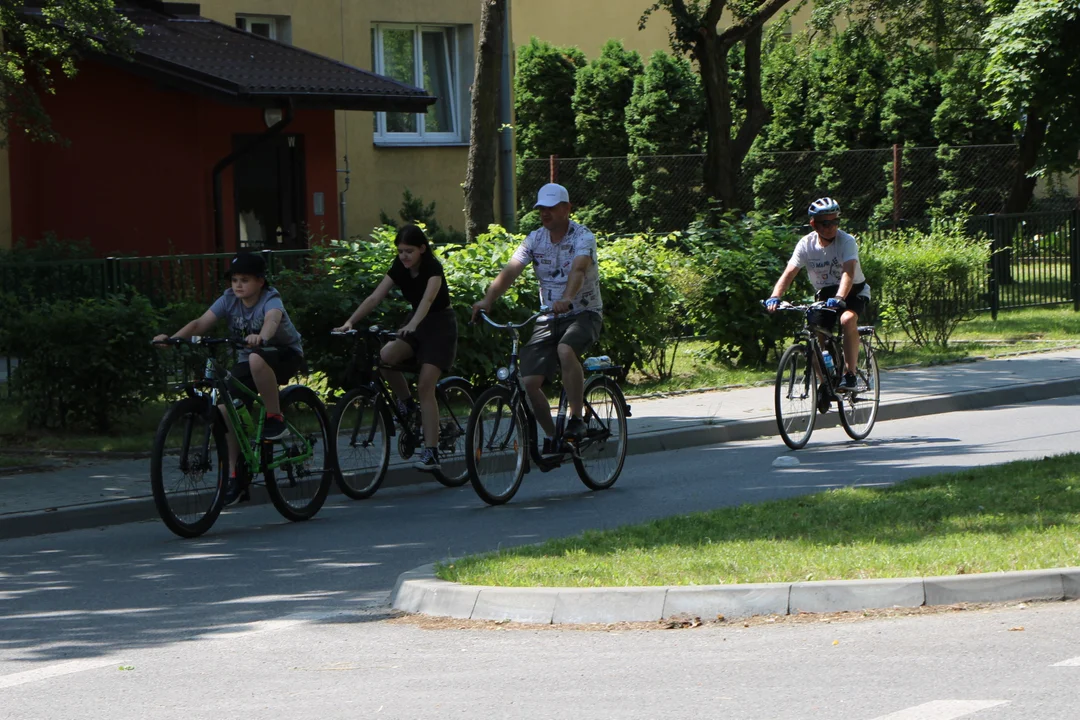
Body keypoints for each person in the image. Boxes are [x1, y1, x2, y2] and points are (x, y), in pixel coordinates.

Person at [154, 251, 305, 500]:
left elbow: (272, 319)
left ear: (260, 281)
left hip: (284, 353)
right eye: (234, 280)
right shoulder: (228, 300)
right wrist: (172, 339)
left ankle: (274, 417)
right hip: (250, 360)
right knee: (226, 409)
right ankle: (235, 476)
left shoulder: (271, 298)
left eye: (244, 280)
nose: (238, 285)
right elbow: (199, 324)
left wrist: (262, 337)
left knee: (256, 357)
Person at [471, 183, 603, 454]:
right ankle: (555, 438)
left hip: (583, 312)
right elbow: (511, 271)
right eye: (542, 208)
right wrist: (487, 300)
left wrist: (567, 297)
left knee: (566, 350)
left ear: (567, 209)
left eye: (552, 208)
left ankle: (576, 418)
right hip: (548, 316)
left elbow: (578, 270)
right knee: (528, 383)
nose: (545, 213)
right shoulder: (534, 239)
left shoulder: (583, 237)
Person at [333, 224, 458, 472]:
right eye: (400, 251)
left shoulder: (433, 268)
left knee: (425, 385)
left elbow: (428, 299)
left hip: (439, 325)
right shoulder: (399, 268)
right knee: (385, 357)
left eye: (409, 251)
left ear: (422, 249)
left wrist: (412, 324)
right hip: (414, 323)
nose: (404, 256)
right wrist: (350, 322)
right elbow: (375, 297)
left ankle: (431, 452)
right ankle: (408, 406)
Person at [765, 197, 871, 396]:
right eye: (826, 223)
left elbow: (848, 272)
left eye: (835, 222)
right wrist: (775, 296)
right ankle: (825, 385)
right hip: (825, 294)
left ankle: (850, 374)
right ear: (813, 223)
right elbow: (789, 272)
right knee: (814, 335)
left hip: (853, 290)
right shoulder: (806, 244)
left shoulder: (846, 241)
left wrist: (840, 296)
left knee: (847, 319)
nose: (832, 227)